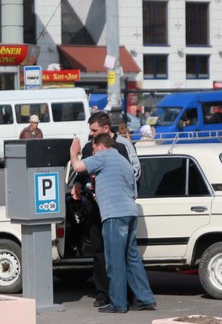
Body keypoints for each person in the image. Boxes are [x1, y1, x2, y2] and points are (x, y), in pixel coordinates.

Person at [70, 134, 156, 314]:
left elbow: (78, 166)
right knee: (132, 258)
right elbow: (134, 194)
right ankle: (145, 299)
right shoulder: (124, 162)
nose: (92, 153)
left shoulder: (103, 156)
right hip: (130, 213)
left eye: (93, 149)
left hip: (114, 215)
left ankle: (118, 303)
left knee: (114, 260)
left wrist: (74, 151)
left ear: (100, 146)